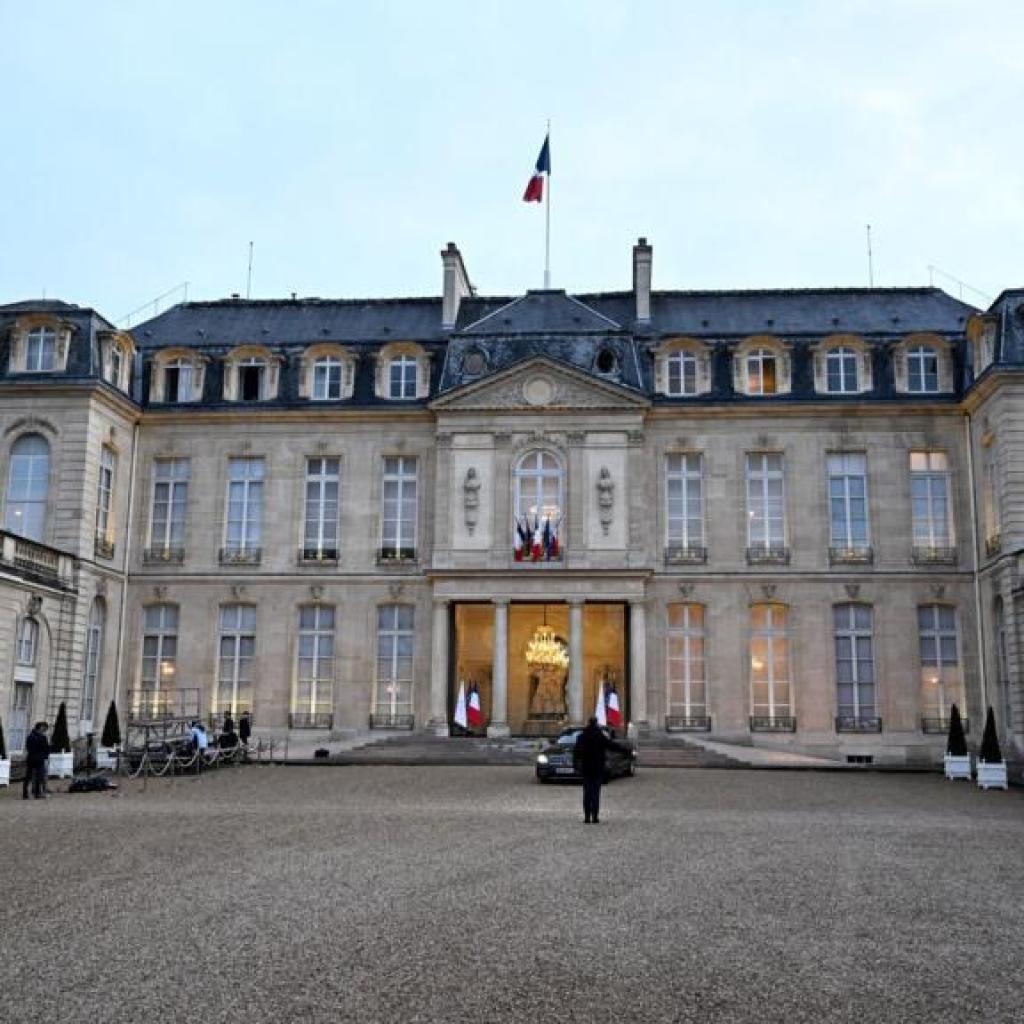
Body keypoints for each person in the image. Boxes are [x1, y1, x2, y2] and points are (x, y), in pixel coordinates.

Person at [573, 716, 630, 824]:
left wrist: (575, 765)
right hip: (597, 768)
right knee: (595, 793)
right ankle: (594, 817)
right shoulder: (600, 736)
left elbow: (576, 753)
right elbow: (612, 746)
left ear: (588, 723)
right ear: (596, 723)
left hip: (586, 768)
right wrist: (625, 750)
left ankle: (586, 817)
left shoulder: (582, 736)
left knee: (587, 793)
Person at [22, 721, 49, 800]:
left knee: (28, 777)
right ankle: (37, 793)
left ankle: (25, 794)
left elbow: (28, 747)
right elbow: (46, 749)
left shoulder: (30, 736)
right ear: (41, 727)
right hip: (39, 759)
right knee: (38, 776)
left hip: (31, 758)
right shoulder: (42, 737)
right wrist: (45, 756)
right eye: (44, 728)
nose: (45, 730)